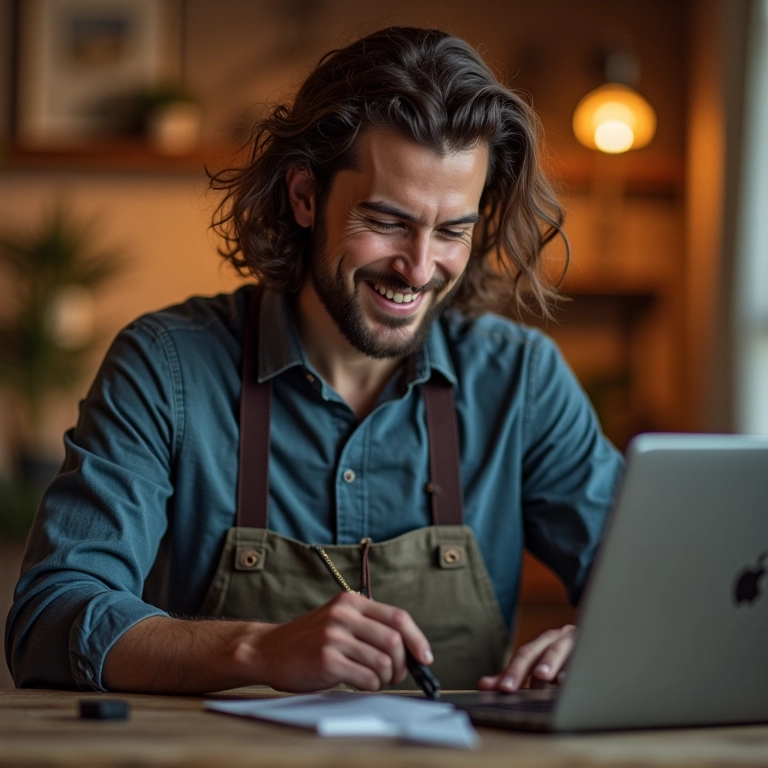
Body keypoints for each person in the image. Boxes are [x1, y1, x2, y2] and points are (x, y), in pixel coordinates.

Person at [5, 27, 623, 695]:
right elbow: (48, 618)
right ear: (304, 196)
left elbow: (663, 581)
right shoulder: (167, 369)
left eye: (451, 231)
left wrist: (607, 636)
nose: (419, 269)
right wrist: (254, 650)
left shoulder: (521, 381)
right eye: (386, 222)